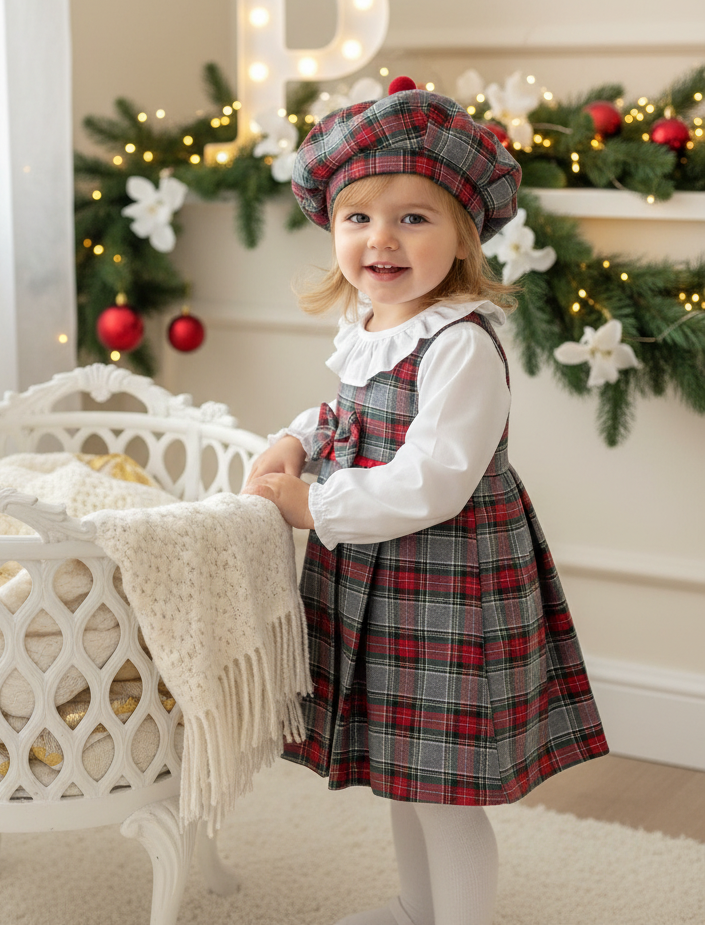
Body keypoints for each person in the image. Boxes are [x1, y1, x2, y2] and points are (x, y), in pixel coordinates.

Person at [243, 78, 608, 925]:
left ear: (461, 235)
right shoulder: (371, 325)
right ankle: (417, 910)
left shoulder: (459, 345)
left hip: (445, 587)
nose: (383, 239)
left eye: (414, 217)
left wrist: (312, 506)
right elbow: (348, 413)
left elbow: (434, 476)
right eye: (359, 217)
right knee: (402, 776)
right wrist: (299, 438)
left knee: (445, 792)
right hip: (376, 581)